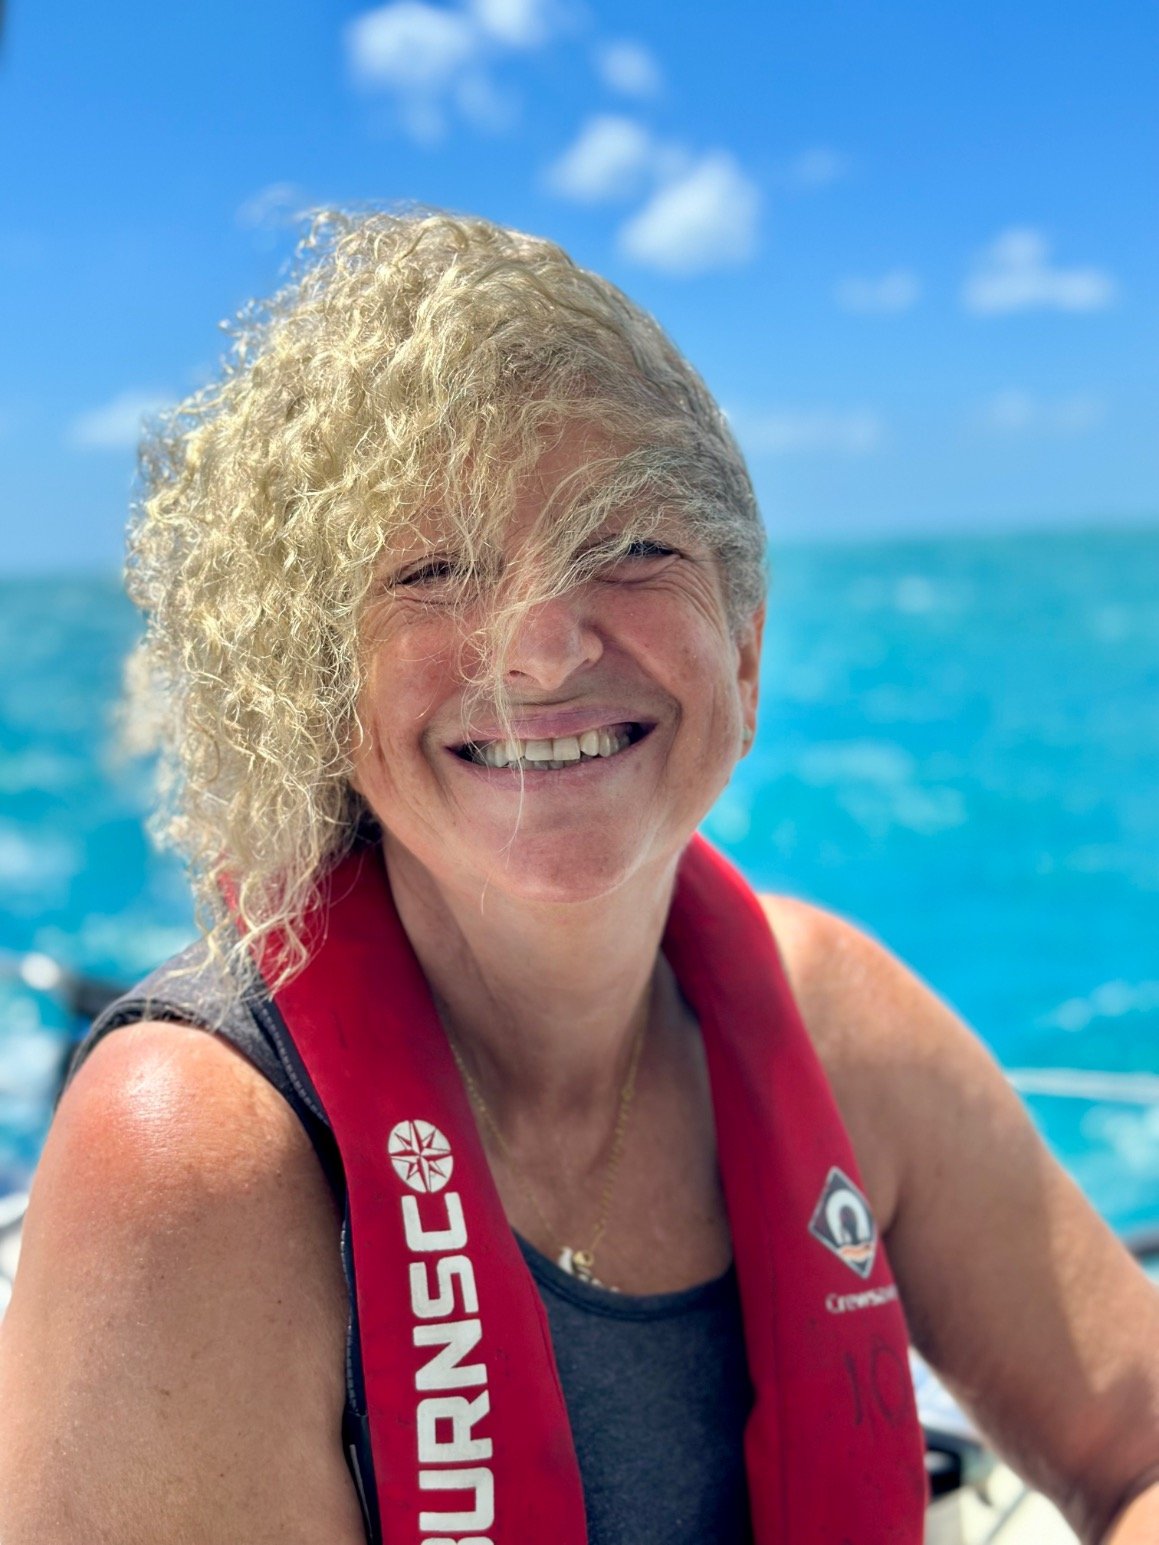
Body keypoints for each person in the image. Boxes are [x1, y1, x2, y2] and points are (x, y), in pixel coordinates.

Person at [0, 209, 1156, 1545]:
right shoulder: (193, 1171)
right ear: (321, 697)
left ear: (745, 657)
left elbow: (1137, 1448)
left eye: (629, 546)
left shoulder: (836, 1024)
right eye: (436, 569)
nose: (542, 649)